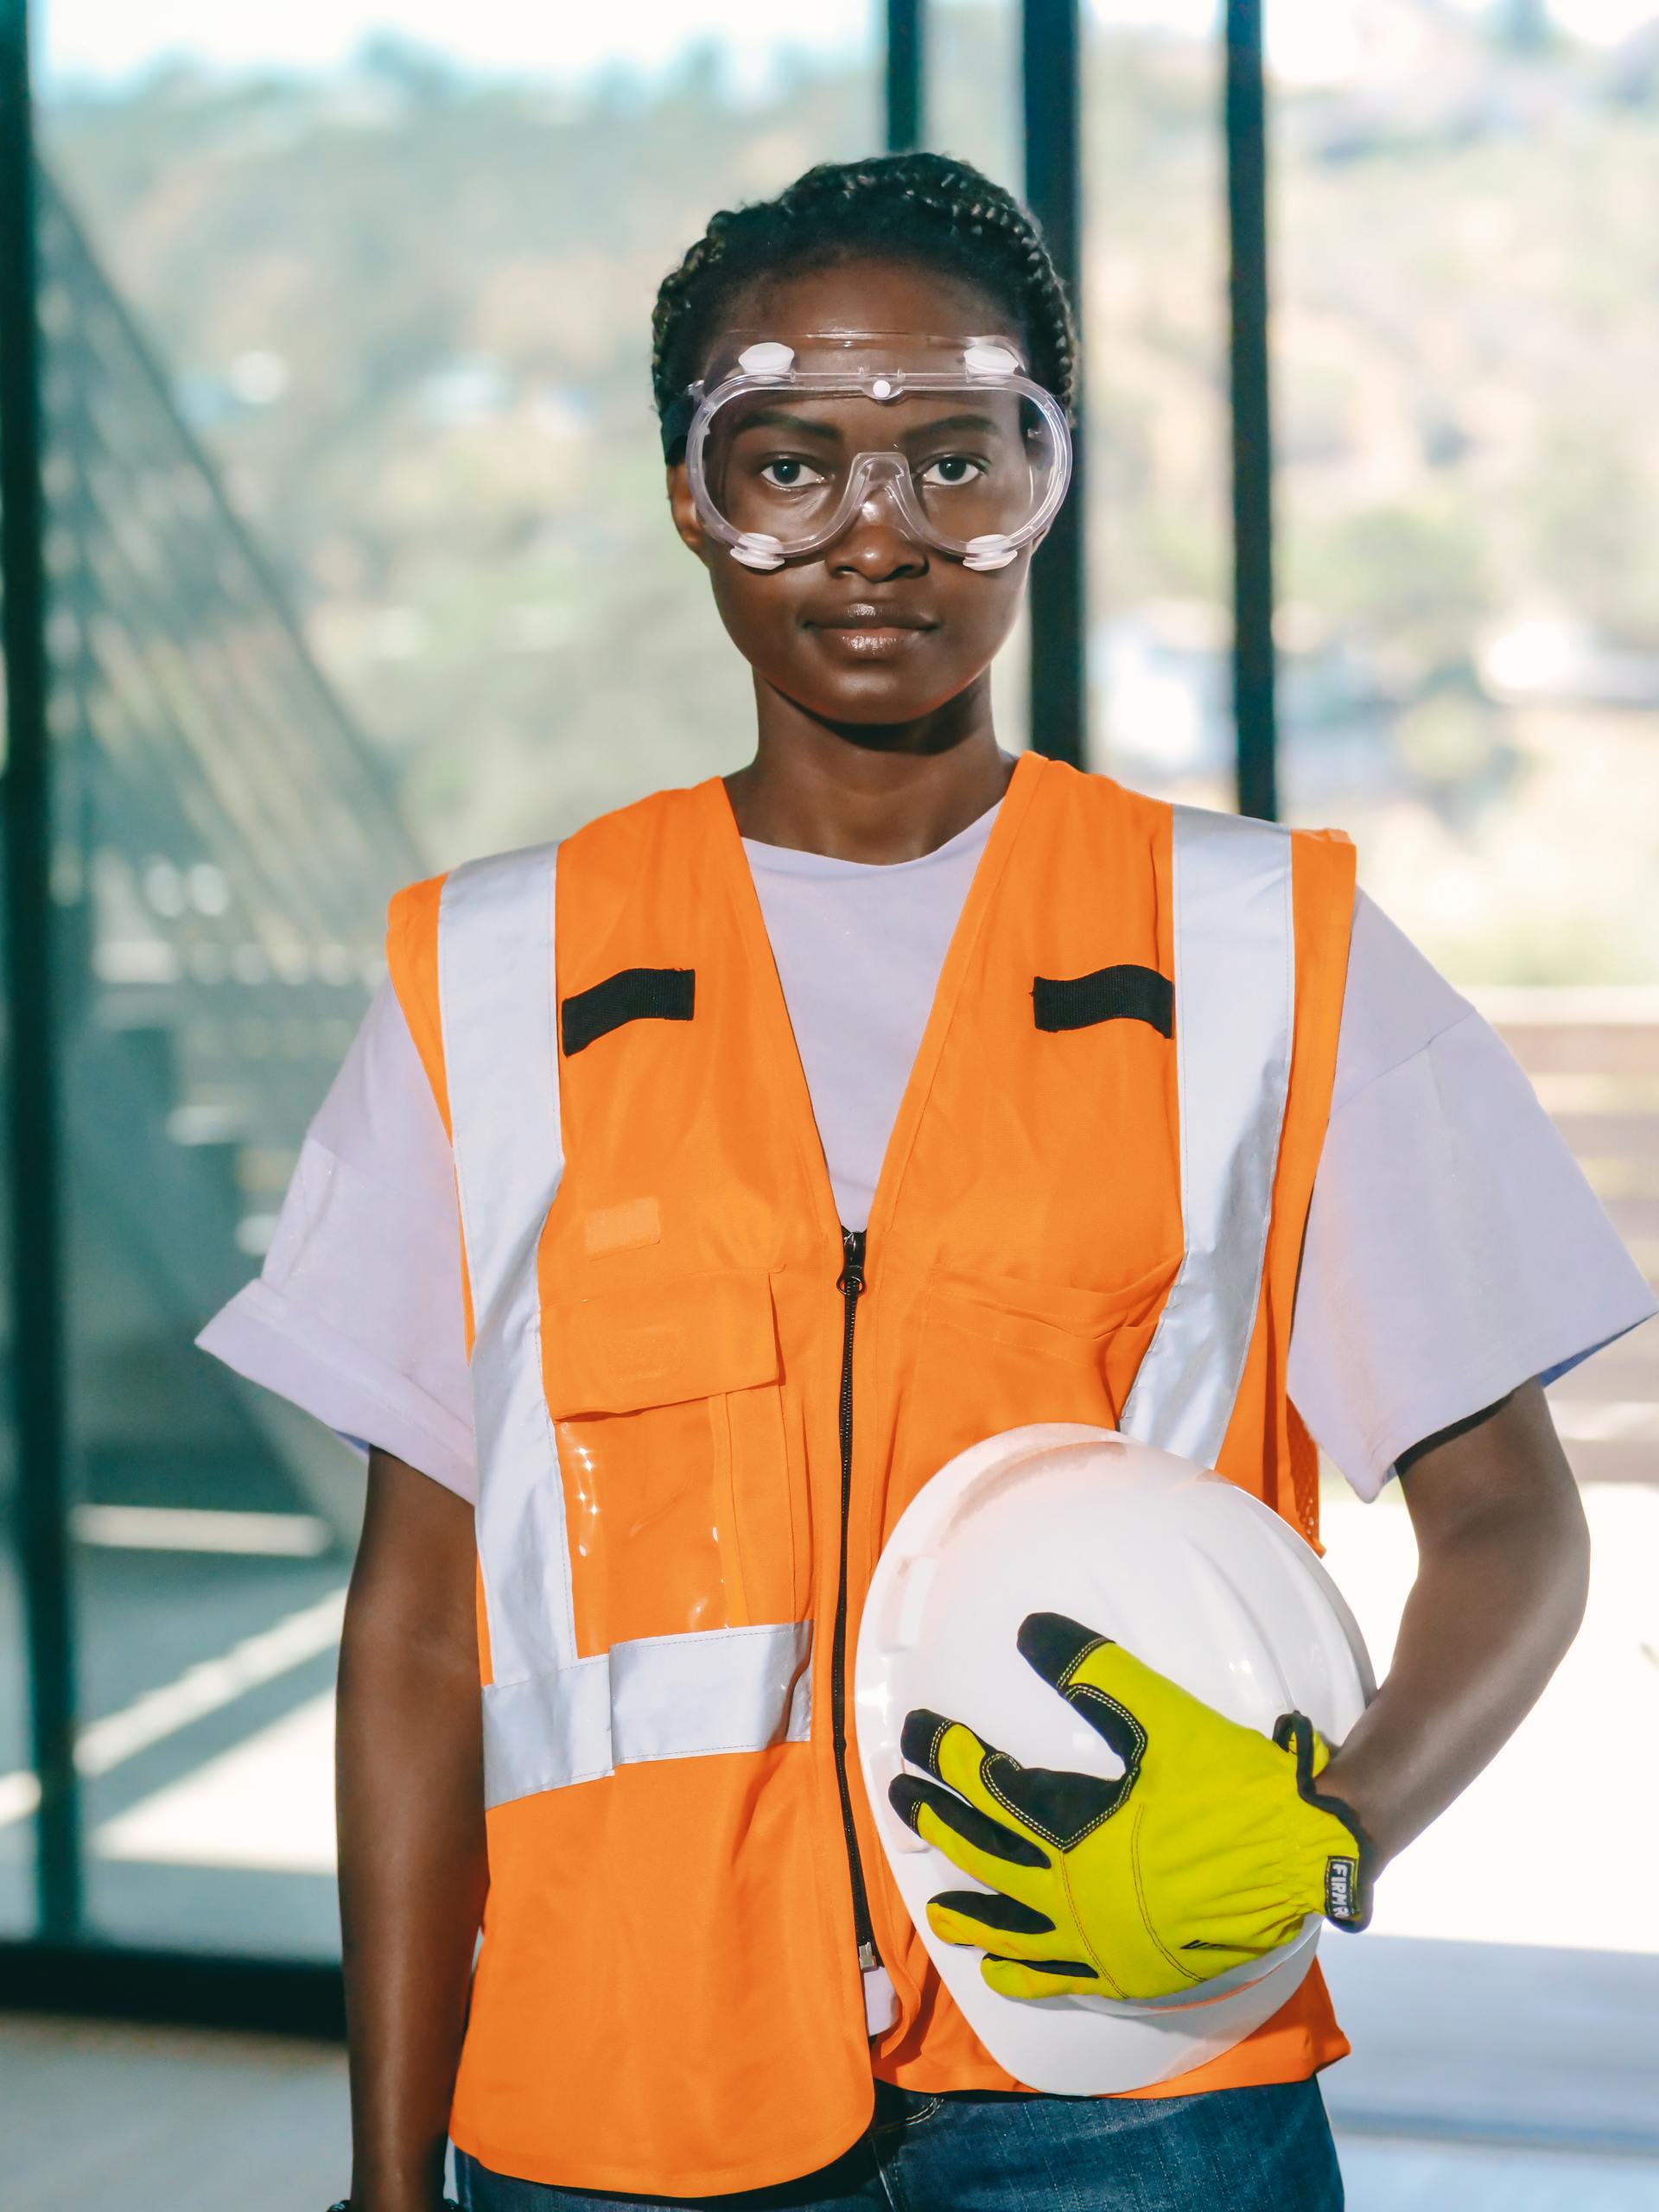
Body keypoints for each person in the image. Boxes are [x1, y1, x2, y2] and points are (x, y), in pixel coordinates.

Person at [198, 152, 1656, 2212]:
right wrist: (383, 2170)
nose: (874, 540)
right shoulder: (490, 972)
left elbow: (1509, 1510)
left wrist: (1346, 1816)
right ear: (690, 495)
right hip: (622, 2097)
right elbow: (421, 1620)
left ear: (1043, 482)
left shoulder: (1262, 945)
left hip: (1137, 2072)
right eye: (787, 463)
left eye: (954, 462)